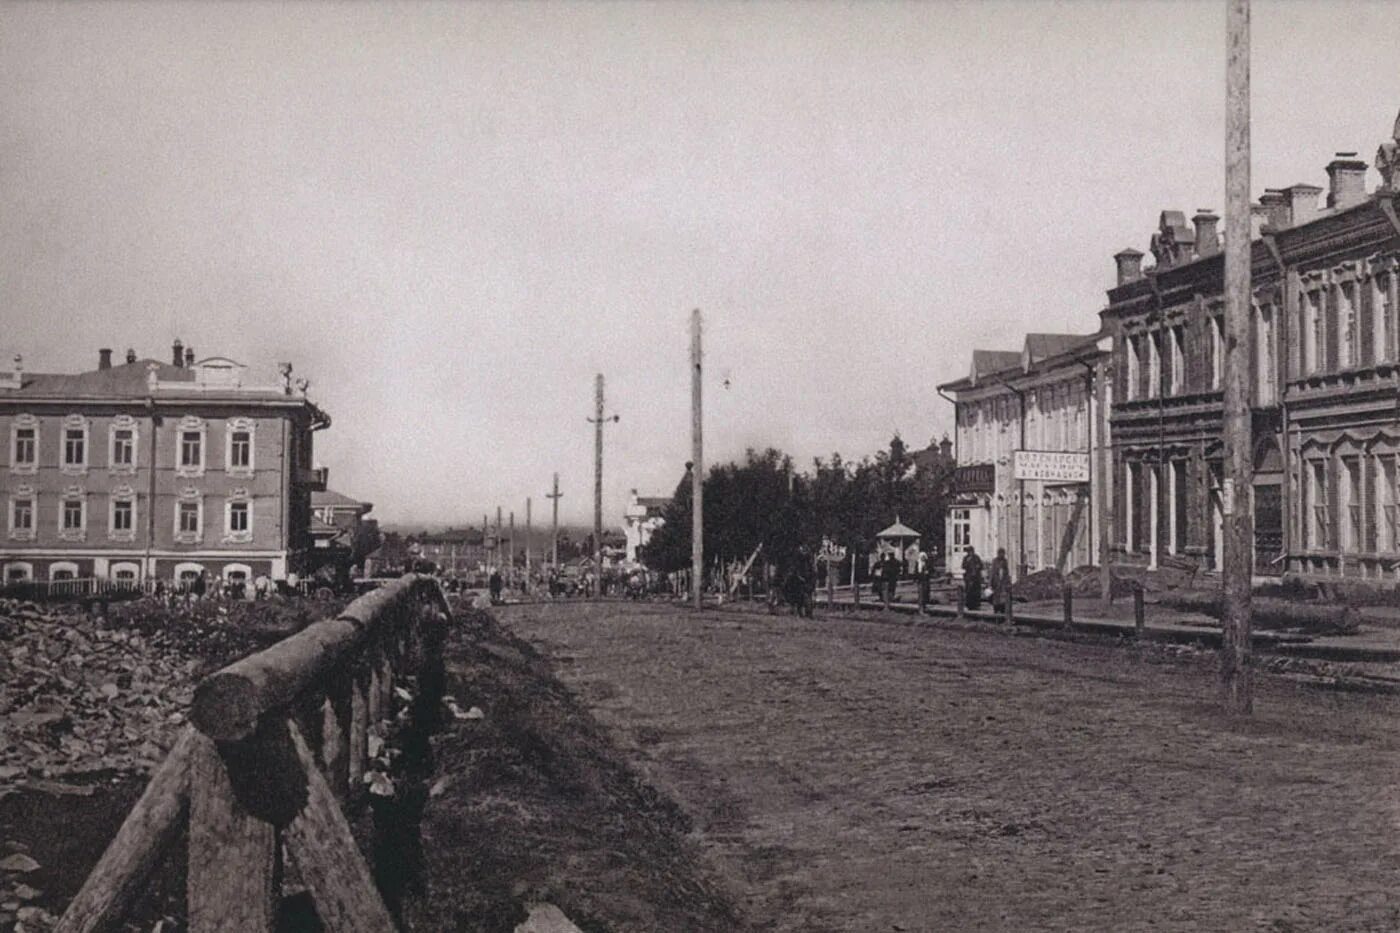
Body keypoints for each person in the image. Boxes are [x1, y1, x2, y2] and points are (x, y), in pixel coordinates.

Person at [989, 547, 1012, 618]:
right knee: (996, 596)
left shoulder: (1005, 561)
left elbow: (1007, 571)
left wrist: (1008, 581)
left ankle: (1002, 609)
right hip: (996, 581)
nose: (1002, 555)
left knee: (1003, 596)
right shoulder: (995, 561)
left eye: (1003, 553)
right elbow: (992, 572)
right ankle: (996, 609)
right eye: (1001, 553)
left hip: (1003, 581)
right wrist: (991, 582)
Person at [961, 545, 984, 611]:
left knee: (976, 591)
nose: (970, 553)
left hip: (976, 577)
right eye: (969, 551)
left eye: (971, 551)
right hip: (969, 577)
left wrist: (978, 566)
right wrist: (967, 563)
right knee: (969, 591)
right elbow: (963, 566)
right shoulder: (966, 558)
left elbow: (981, 565)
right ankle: (969, 605)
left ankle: (976, 605)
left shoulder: (976, 557)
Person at [916, 549, 930, 614]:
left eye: (924, 557)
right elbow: (916, 573)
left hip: (926, 581)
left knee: (926, 594)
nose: (923, 558)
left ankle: (924, 607)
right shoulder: (918, 564)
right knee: (921, 595)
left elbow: (931, 570)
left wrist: (928, 572)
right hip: (920, 581)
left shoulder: (927, 564)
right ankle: (921, 609)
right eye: (922, 557)